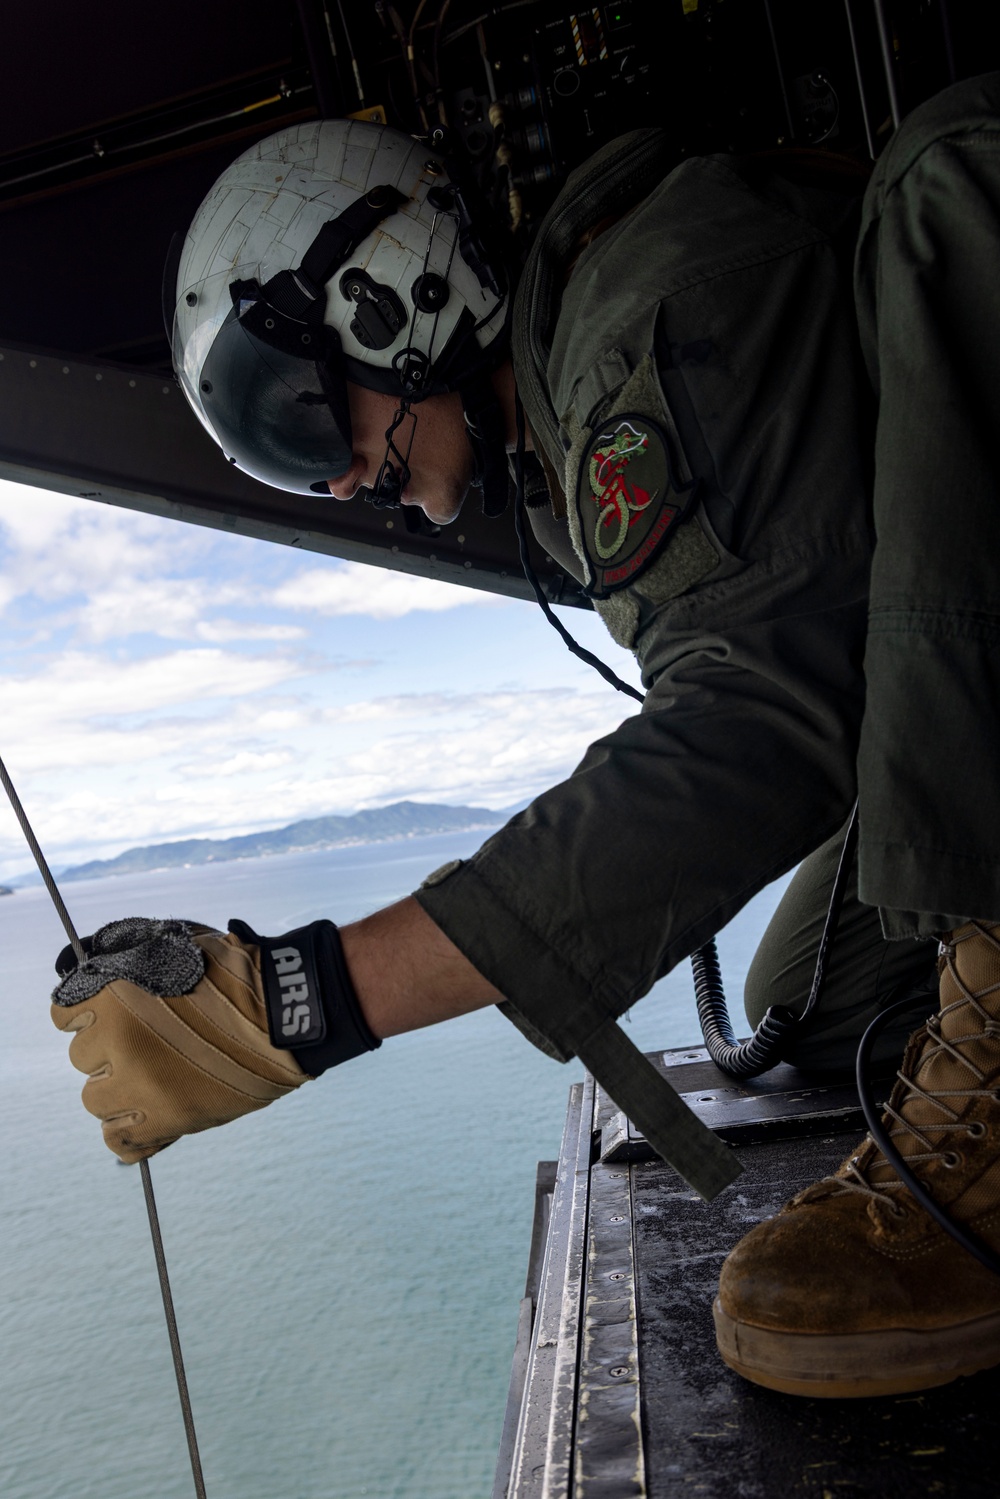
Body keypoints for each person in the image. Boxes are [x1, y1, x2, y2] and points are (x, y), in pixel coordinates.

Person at [51, 72, 1000, 1400]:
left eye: (304, 411)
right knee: (816, 1004)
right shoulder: (569, 419)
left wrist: (300, 1001)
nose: (331, 477)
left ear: (399, 292)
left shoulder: (654, 305)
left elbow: (761, 720)